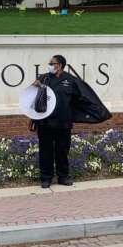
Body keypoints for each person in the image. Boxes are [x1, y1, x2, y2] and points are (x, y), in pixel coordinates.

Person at [32, 54, 79, 189]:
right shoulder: (44, 78)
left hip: (63, 123)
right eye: (50, 63)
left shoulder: (70, 80)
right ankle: (46, 178)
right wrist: (35, 86)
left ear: (60, 65)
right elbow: (30, 95)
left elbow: (78, 99)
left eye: (53, 63)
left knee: (62, 151)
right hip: (45, 122)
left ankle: (63, 176)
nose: (50, 65)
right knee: (45, 151)